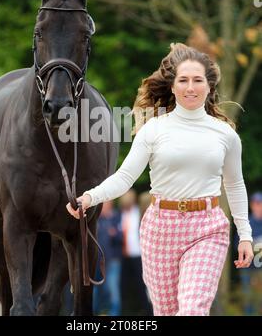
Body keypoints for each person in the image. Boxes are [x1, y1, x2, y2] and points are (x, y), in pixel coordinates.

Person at [67, 43, 253, 316]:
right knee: (166, 312)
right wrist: (90, 197)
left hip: (208, 227)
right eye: (184, 80)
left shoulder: (225, 135)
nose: (191, 87)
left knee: (192, 310)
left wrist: (245, 234)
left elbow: (235, 185)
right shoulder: (153, 130)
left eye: (198, 80)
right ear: (173, 86)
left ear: (210, 86)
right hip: (160, 229)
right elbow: (125, 177)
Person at [119, 190, 153, 315]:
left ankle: (149, 311)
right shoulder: (120, 214)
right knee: (124, 286)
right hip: (123, 256)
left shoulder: (138, 214)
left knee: (142, 286)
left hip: (139, 256)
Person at [93, 200, 122, 316]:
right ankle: (95, 311)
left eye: (108, 204)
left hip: (113, 259)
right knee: (95, 289)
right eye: (104, 205)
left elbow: (122, 236)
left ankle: (114, 313)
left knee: (112, 288)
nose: (106, 207)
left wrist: (115, 234)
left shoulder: (116, 217)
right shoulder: (95, 219)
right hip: (96, 260)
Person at [235, 192, 262, 315]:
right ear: (252, 205)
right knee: (248, 298)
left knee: (259, 300)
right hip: (248, 268)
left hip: (261, 270)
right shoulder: (246, 224)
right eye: (256, 203)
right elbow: (237, 244)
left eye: (260, 203)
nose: (258, 206)